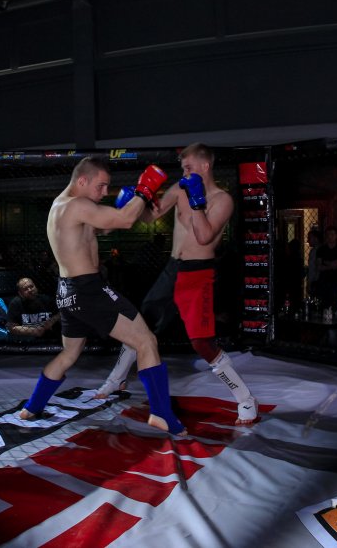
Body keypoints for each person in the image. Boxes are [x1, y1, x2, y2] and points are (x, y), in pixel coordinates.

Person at [18, 156, 186, 436]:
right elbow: (125, 221)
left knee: (69, 353)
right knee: (146, 341)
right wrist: (144, 190)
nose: (104, 192)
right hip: (89, 291)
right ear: (82, 180)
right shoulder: (77, 205)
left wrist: (131, 202)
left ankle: (32, 407)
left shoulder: (61, 206)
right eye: (101, 186)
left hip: (67, 292)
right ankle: (161, 413)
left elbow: (106, 226)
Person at [93, 144, 259, 426]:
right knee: (139, 325)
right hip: (172, 269)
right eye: (183, 168)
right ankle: (115, 380)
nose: (184, 173)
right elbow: (150, 217)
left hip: (198, 273)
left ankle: (245, 399)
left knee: (201, 343)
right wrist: (138, 199)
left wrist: (197, 201)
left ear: (205, 166)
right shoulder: (179, 189)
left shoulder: (222, 200)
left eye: (189, 167)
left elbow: (204, 236)